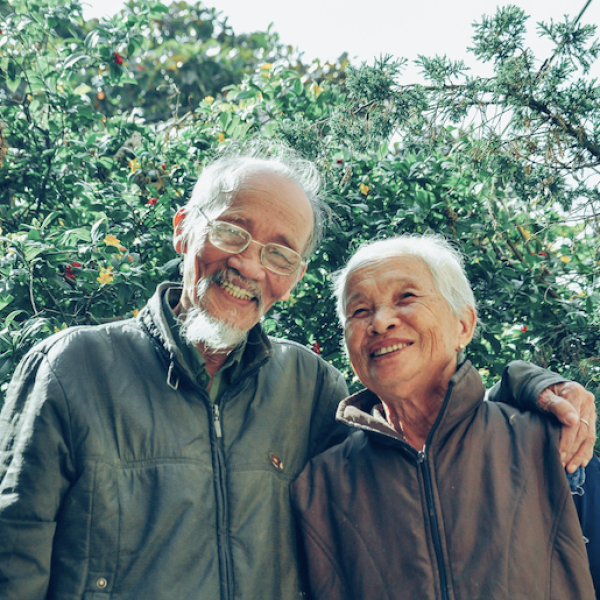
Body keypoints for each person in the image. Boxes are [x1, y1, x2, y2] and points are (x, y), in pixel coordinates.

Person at [0, 145, 596, 600]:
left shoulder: (307, 386)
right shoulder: (72, 368)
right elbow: (13, 562)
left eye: (281, 252)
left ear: (295, 275)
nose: (248, 264)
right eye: (232, 229)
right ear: (183, 227)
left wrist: (527, 386)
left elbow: (427, 454)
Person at [290, 234, 598, 600]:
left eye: (406, 297)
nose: (380, 322)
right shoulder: (321, 485)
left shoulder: (550, 443)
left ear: (463, 325)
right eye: (359, 311)